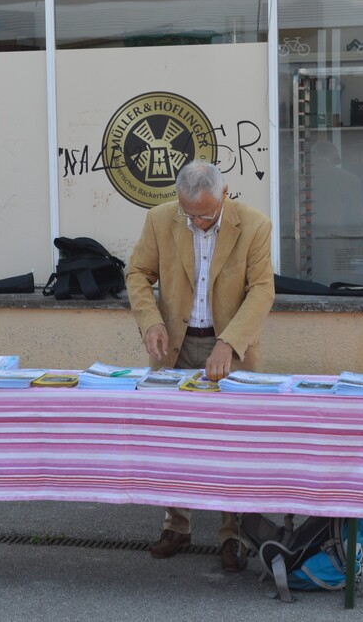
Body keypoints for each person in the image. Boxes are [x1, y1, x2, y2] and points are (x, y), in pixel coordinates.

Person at [125, 160, 275, 573]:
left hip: (230, 347)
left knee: (232, 442)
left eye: (204, 215)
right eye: (188, 214)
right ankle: (176, 525)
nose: (196, 222)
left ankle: (233, 535)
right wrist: (150, 321)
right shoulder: (160, 220)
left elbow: (262, 290)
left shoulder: (255, 225)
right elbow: (137, 273)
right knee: (172, 438)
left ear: (225, 194)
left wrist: (229, 342)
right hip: (173, 345)